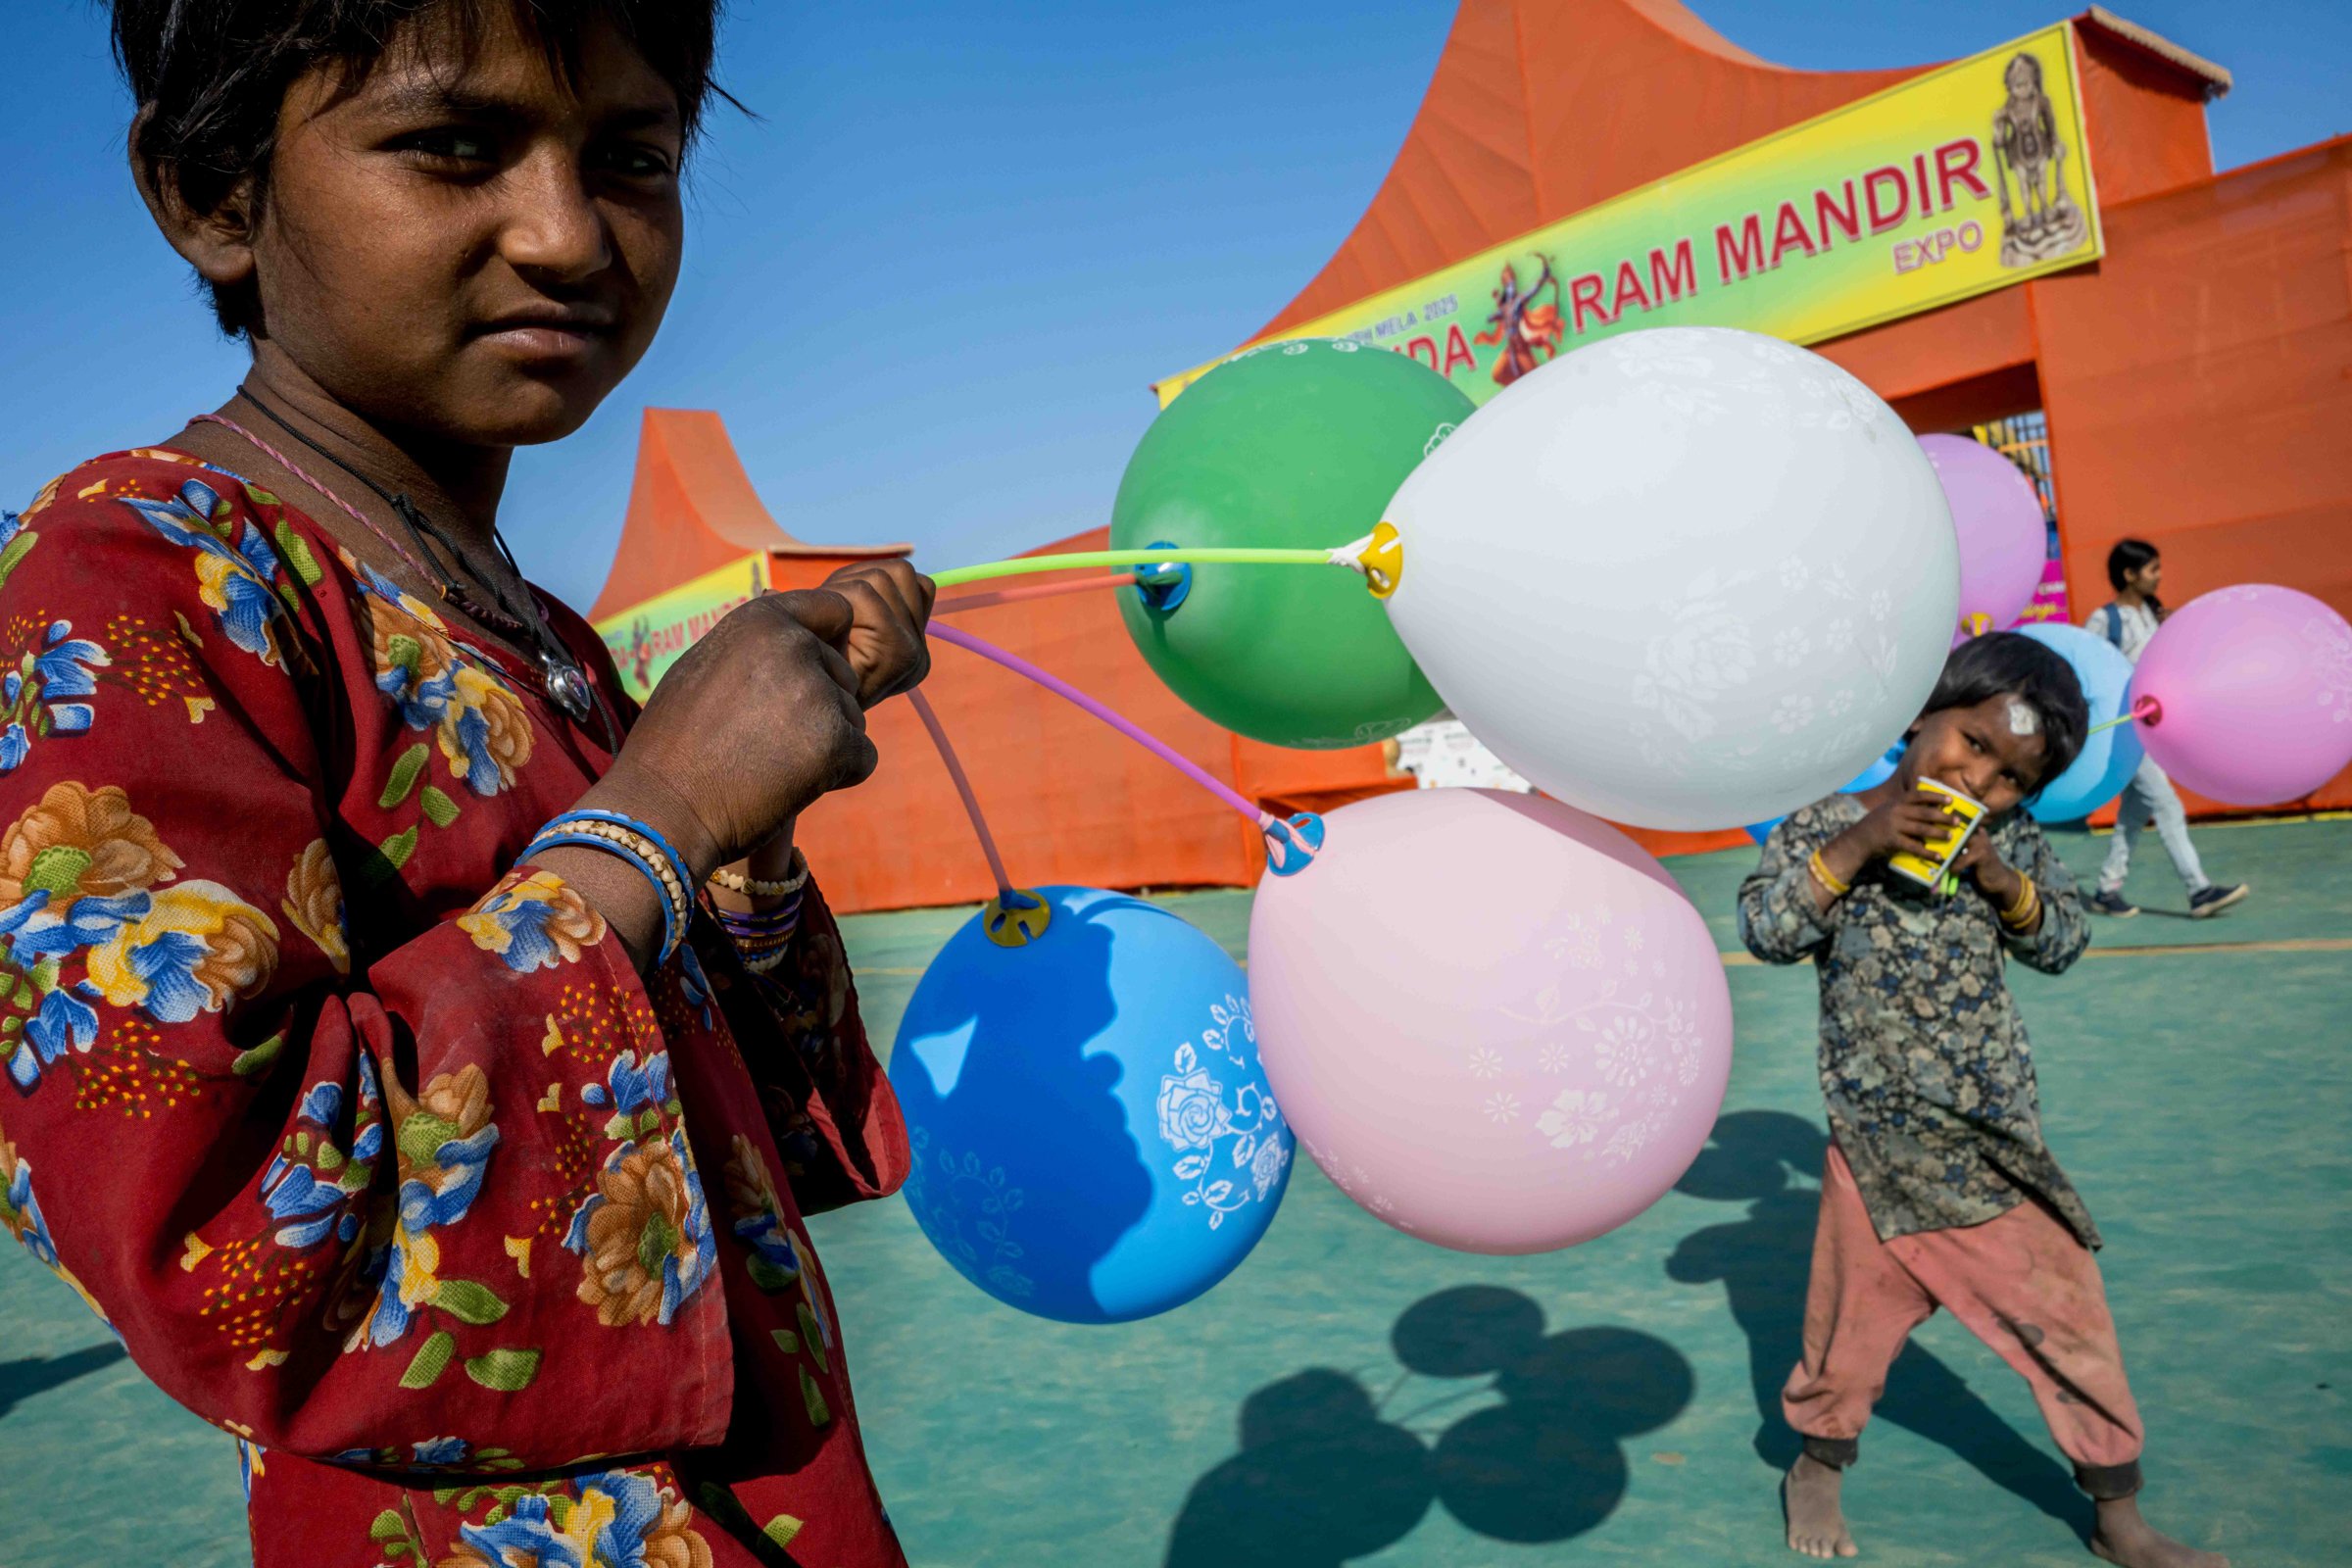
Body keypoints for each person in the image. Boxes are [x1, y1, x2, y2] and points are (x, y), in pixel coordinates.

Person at [0, 4, 936, 1564]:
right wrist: (654, 821)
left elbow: (782, 1138)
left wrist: (742, 822)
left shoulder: (534, 632)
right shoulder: (125, 579)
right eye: (454, 145)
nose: (570, 234)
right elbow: (218, 1245)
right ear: (214, 196)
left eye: (631, 155)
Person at [1738, 634, 2226, 1567]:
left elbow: (2063, 942)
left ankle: (2117, 1513)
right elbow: (1766, 927)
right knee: (1846, 1336)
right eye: (1970, 741)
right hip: (1876, 1149)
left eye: (2009, 777)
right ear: (1921, 716)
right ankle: (1817, 1467)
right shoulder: (1823, 825)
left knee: (2070, 1326)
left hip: (1993, 1146)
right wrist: (1862, 842)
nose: (1979, 778)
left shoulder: (2011, 843)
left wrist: (2004, 880)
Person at [2084, 539, 2247, 917]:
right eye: (2152, 569)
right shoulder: (2103, 620)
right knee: (2167, 805)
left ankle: (2107, 888)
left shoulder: (2151, 615)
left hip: (2152, 730)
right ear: (2129, 574)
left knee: (2135, 811)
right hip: (2122, 732)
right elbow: (2086, 671)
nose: (2159, 577)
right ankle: (2199, 890)